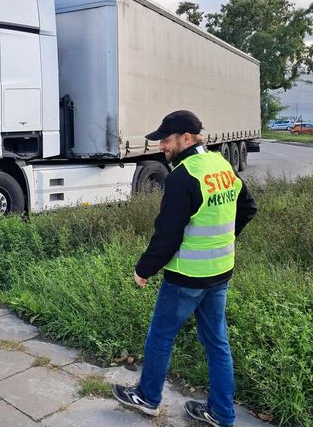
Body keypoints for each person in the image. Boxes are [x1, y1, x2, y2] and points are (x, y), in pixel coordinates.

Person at [111, 110, 257, 427]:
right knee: (217, 343)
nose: (161, 145)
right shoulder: (222, 165)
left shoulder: (183, 176)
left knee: (160, 336)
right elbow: (248, 207)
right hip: (220, 273)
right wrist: (224, 239)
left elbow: (168, 234)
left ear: (186, 138)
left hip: (186, 278)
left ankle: (148, 399)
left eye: (166, 139)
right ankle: (222, 413)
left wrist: (144, 269)